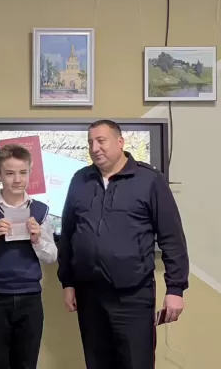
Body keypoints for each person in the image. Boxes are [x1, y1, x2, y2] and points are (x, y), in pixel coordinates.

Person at [57, 120, 189, 369]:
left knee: (136, 362)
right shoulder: (80, 180)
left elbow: (172, 237)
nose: (95, 148)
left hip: (133, 296)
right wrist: (68, 282)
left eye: (101, 141)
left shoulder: (149, 180)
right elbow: (68, 235)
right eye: (90, 142)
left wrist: (175, 289)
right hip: (89, 295)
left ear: (120, 142)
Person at [0, 144, 57, 369]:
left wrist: (37, 240)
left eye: (23, 172)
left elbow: (51, 257)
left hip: (30, 297)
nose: (17, 180)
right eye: (9, 173)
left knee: (26, 363)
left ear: (30, 173)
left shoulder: (41, 210)